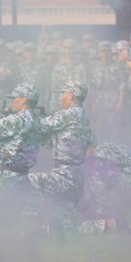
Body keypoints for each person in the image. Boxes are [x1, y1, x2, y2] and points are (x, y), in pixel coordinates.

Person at [31, 80, 94, 236]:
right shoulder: (81, 117)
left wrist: (18, 119)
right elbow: (55, 141)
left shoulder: (71, 114)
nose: (61, 98)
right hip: (73, 174)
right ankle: (109, 225)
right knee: (71, 227)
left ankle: (33, 225)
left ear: (72, 96)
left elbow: (40, 126)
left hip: (66, 175)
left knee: (28, 182)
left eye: (64, 94)